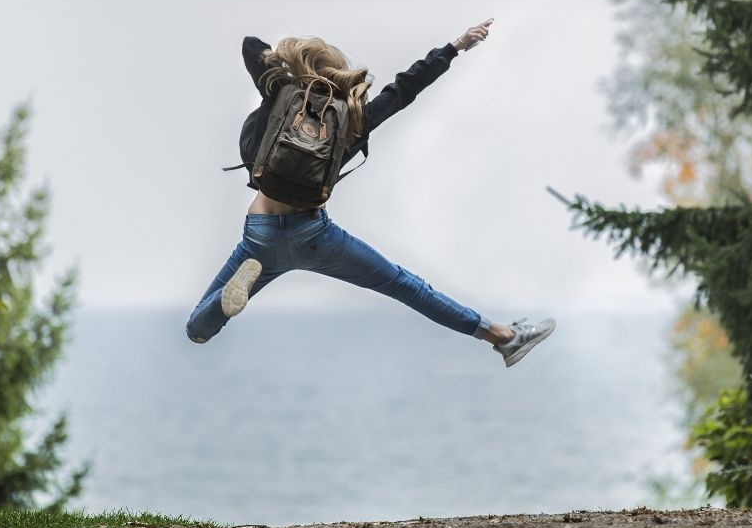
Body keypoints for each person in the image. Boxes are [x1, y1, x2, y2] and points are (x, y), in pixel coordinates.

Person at [185, 18, 555, 367]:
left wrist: (292, 67)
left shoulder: (280, 94)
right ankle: (504, 338)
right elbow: (404, 90)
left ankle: (226, 301)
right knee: (406, 286)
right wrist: (454, 47)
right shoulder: (352, 118)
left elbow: (252, 46)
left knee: (197, 330)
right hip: (314, 235)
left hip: (260, 235)